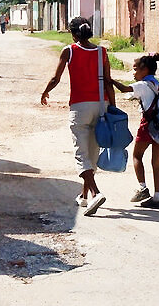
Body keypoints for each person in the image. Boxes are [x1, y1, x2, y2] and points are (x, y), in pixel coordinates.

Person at [40, 17, 115, 216]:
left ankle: (96, 193)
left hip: (80, 107)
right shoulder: (102, 52)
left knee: (81, 155)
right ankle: (83, 196)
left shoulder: (69, 51)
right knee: (92, 153)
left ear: (73, 34)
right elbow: (108, 82)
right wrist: (112, 109)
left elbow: (56, 78)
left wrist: (45, 92)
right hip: (101, 106)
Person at [111, 53, 159, 209]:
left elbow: (124, 89)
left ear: (145, 70)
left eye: (135, 69)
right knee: (156, 162)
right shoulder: (157, 84)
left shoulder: (143, 85)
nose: (133, 73)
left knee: (137, 155)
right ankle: (158, 197)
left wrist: (110, 80)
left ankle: (142, 188)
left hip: (148, 125)